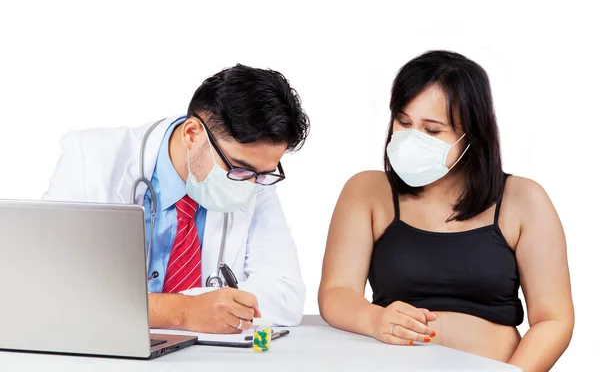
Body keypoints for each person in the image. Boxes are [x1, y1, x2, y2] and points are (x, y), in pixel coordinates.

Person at [318, 51, 574, 371]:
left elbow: (554, 319)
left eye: (433, 130)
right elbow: (336, 293)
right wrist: (374, 318)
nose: (412, 138)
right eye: (404, 121)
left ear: (471, 135)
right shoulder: (367, 191)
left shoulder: (525, 199)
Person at [43, 64, 310, 333]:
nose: (252, 184)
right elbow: (51, 283)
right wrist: (182, 311)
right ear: (192, 134)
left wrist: (210, 308)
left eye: (263, 174)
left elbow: (286, 295)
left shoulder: (257, 181)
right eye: (239, 169)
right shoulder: (89, 159)